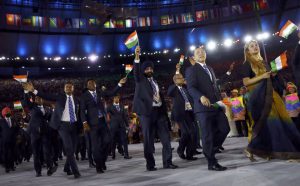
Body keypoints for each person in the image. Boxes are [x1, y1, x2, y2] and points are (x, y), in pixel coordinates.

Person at [241, 40, 300, 161]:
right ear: (248, 50)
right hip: (258, 99)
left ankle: (261, 150)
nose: (255, 47)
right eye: (252, 46)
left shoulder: (264, 62)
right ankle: (257, 149)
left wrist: (273, 75)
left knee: (279, 122)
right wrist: (263, 76)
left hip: (272, 96)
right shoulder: (247, 64)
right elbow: (246, 82)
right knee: (270, 125)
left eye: (256, 45)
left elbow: (270, 79)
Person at [23, 81, 81, 179]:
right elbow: (46, 95)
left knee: (73, 149)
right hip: (62, 126)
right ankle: (76, 172)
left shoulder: (76, 99)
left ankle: (67, 167)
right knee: (69, 149)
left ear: (73, 89)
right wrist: (33, 90)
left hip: (73, 126)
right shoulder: (59, 97)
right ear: (64, 89)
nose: (68, 88)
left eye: (70, 87)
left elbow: (77, 113)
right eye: (66, 87)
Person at [133, 46, 178, 171]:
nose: (148, 70)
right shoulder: (140, 80)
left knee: (166, 139)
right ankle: (150, 164)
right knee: (148, 140)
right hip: (147, 114)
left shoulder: (156, 82)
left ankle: (167, 162)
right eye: (146, 69)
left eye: (150, 68)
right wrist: (137, 56)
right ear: (143, 71)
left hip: (159, 113)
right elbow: (136, 71)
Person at [186, 47, 230, 171]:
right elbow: (191, 88)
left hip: (216, 106)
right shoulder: (191, 70)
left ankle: (209, 148)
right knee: (207, 135)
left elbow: (214, 87)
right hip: (203, 108)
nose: (201, 54)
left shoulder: (210, 69)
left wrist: (220, 103)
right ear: (193, 57)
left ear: (206, 55)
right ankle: (212, 162)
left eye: (203, 52)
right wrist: (200, 96)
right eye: (197, 53)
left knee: (225, 128)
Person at [80, 78, 127, 174]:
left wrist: (119, 84)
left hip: (102, 122)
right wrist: (84, 123)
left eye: (93, 83)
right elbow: (82, 111)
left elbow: (111, 93)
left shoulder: (100, 93)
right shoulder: (84, 96)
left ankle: (102, 160)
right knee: (95, 147)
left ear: (95, 85)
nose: (91, 84)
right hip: (92, 124)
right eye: (89, 83)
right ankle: (98, 165)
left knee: (107, 142)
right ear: (87, 86)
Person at [21, 92, 57, 177]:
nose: (37, 99)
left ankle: (49, 168)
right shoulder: (32, 107)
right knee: (36, 153)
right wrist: (26, 92)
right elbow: (26, 101)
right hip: (34, 133)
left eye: (39, 98)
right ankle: (38, 171)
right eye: (36, 98)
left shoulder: (47, 108)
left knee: (47, 151)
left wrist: (54, 110)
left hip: (45, 132)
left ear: (42, 99)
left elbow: (50, 118)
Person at [167, 63, 198, 160]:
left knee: (193, 133)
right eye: (180, 78)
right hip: (180, 114)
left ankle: (189, 154)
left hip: (189, 113)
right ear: (175, 80)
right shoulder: (174, 89)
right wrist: (177, 73)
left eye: (182, 78)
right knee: (186, 133)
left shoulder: (186, 89)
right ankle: (180, 149)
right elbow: (169, 93)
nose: (183, 79)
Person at [107, 95, 132, 160]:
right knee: (113, 141)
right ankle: (113, 155)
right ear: (113, 99)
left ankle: (126, 155)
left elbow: (125, 116)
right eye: (115, 98)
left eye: (117, 98)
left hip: (122, 126)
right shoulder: (109, 107)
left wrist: (127, 125)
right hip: (113, 127)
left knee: (124, 141)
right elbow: (107, 117)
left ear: (119, 98)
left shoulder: (122, 106)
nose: (116, 99)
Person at [0, 107, 19, 173]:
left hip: (13, 140)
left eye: (9, 112)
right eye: (6, 113)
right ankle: (7, 167)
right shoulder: (1, 122)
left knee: (12, 153)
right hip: (4, 141)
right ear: (4, 114)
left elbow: (17, 129)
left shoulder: (13, 120)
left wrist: (17, 136)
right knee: (5, 153)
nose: (8, 114)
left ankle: (12, 166)